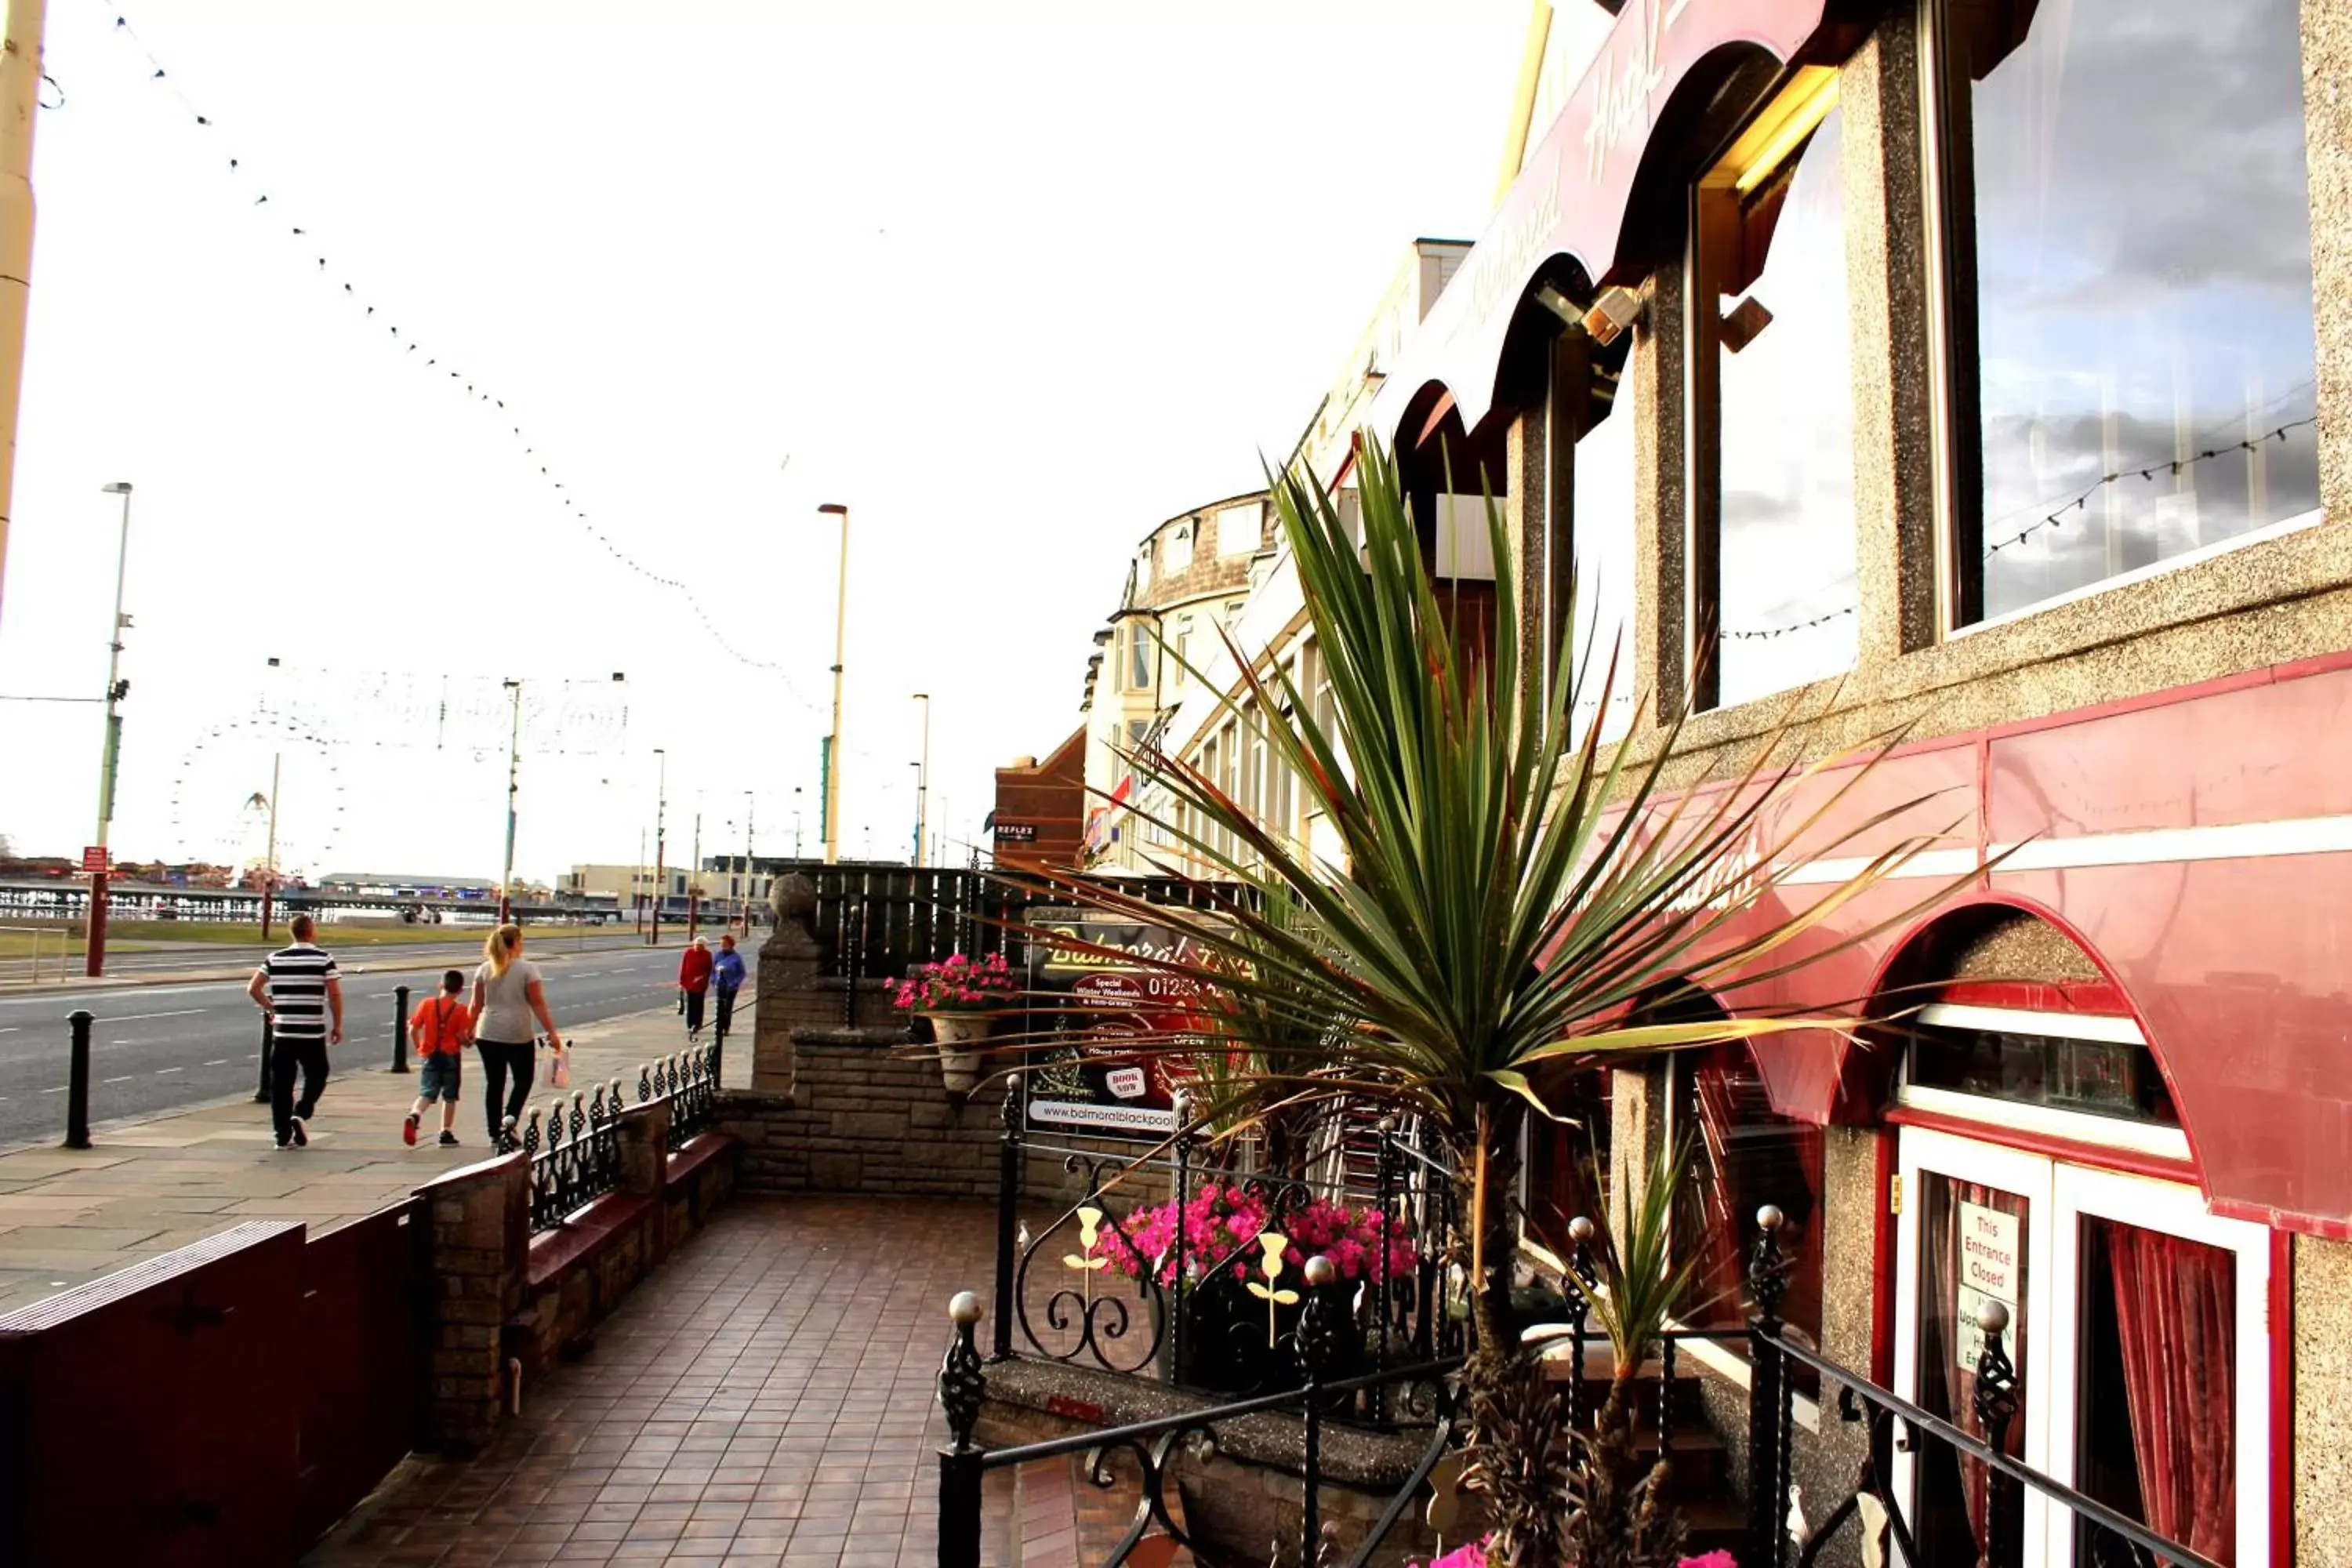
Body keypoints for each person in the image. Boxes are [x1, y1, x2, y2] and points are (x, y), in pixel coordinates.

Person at [246, 912, 343, 1149]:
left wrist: (271, 1009)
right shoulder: (323, 959)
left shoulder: (274, 958)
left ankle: (282, 1135)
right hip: (312, 1032)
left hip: (283, 1032)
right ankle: (300, 1113)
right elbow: (334, 994)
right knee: (318, 1075)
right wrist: (338, 1024)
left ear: (292, 932)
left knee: (281, 1085)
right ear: (311, 931)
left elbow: (253, 988)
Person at [470, 923, 562, 1146]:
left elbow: (475, 1005)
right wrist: (551, 1031)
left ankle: (494, 1131)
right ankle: (508, 1123)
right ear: (515, 943)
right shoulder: (527, 969)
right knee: (523, 1079)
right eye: (521, 941)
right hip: (517, 1033)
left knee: (495, 1083)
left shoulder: (484, 969)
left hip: (488, 1032)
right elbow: (537, 1002)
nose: (523, 945)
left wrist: (468, 1030)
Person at [405, 968, 471, 1148]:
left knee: (427, 1092)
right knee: (450, 1096)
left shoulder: (427, 1004)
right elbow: (461, 1037)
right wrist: (469, 1042)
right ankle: (445, 1131)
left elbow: (413, 1029)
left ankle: (415, 1114)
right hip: (451, 1056)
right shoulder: (461, 1010)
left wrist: (420, 1047)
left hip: (430, 1054)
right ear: (460, 991)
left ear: (440, 985)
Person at [711, 931, 747, 1041]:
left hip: (731, 987)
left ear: (731, 945)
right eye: (722, 944)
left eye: (725, 944)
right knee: (719, 1006)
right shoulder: (718, 955)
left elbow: (742, 973)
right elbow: (712, 970)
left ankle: (725, 1027)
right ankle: (719, 1026)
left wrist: (735, 983)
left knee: (727, 1007)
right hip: (720, 985)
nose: (723, 946)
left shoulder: (736, 957)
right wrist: (713, 980)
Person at [677, 935, 714, 1041]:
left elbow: (709, 969)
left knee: (699, 1003)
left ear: (704, 946)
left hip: (701, 983)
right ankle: (690, 1024)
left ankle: (698, 1024)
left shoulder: (707, 955)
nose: (697, 947)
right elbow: (683, 966)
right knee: (691, 1004)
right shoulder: (688, 953)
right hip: (689, 982)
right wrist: (681, 981)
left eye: (700, 946)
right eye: (696, 945)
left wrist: (703, 977)